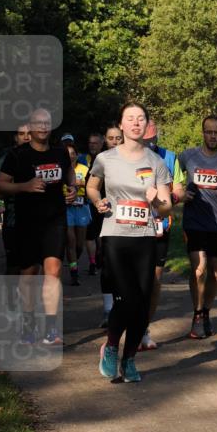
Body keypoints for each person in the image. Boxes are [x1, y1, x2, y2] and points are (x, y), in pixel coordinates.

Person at [86, 103, 172, 382]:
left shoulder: (156, 162)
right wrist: (97, 201)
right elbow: (91, 185)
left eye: (141, 119)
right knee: (128, 298)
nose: (136, 123)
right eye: (130, 119)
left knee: (143, 301)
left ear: (147, 125)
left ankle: (130, 359)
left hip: (145, 237)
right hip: (114, 236)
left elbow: (167, 206)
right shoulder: (106, 159)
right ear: (121, 125)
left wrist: (156, 200)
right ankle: (111, 347)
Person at [0, 109, 76, 345]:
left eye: (47, 123)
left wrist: (71, 188)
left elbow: (69, 175)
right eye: (38, 123)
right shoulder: (17, 155)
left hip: (55, 220)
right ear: (29, 127)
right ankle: (29, 323)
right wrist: (25, 186)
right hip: (28, 223)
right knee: (29, 275)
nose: (43, 127)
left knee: (53, 271)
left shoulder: (60, 153)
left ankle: (52, 328)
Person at [179, 115, 217, 338]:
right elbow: (172, 181)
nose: (212, 136)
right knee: (199, 270)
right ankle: (197, 313)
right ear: (203, 133)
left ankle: (207, 312)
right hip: (194, 222)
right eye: (209, 132)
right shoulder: (187, 156)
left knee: (215, 274)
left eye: (216, 132)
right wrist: (179, 193)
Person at [140, 120, 186, 351]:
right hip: (132, 226)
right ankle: (127, 322)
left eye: (154, 139)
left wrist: (169, 201)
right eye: (146, 140)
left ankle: (143, 329)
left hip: (159, 225)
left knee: (154, 281)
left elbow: (179, 189)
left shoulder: (168, 157)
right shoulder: (124, 156)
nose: (151, 143)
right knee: (134, 280)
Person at [0, 123, 31, 285]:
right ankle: (11, 298)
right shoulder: (7, 159)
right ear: (16, 137)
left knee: (34, 264)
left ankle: (29, 301)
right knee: (15, 265)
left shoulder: (44, 156)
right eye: (22, 134)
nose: (27, 137)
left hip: (38, 218)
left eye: (30, 133)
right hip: (14, 217)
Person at [95, 124, 124, 325]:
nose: (115, 141)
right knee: (107, 263)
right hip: (105, 217)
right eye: (111, 138)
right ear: (105, 139)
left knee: (125, 265)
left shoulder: (133, 159)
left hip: (128, 218)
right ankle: (108, 309)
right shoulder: (101, 161)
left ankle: (123, 307)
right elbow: (91, 188)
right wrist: (98, 201)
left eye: (118, 138)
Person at [64, 144, 92, 285]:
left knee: (80, 245)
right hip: (66, 208)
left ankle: (73, 261)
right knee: (71, 241)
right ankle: (74, 273)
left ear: (76, 155)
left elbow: (92, 186)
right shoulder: (61, 170)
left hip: (81, 207)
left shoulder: (85, 169)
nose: (70, 156)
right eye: (67, 153)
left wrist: (83, 184)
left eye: (72, 153)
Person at [80, 130, 106, 276]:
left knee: (100, 234)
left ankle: (101, 256)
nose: (92, 146)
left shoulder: (106, 159)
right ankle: (92, 262)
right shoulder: (83, 159)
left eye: (95, 143)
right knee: (90, 234)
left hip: (102, 202)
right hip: (86, 202)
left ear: (102, 144)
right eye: (90, 143)